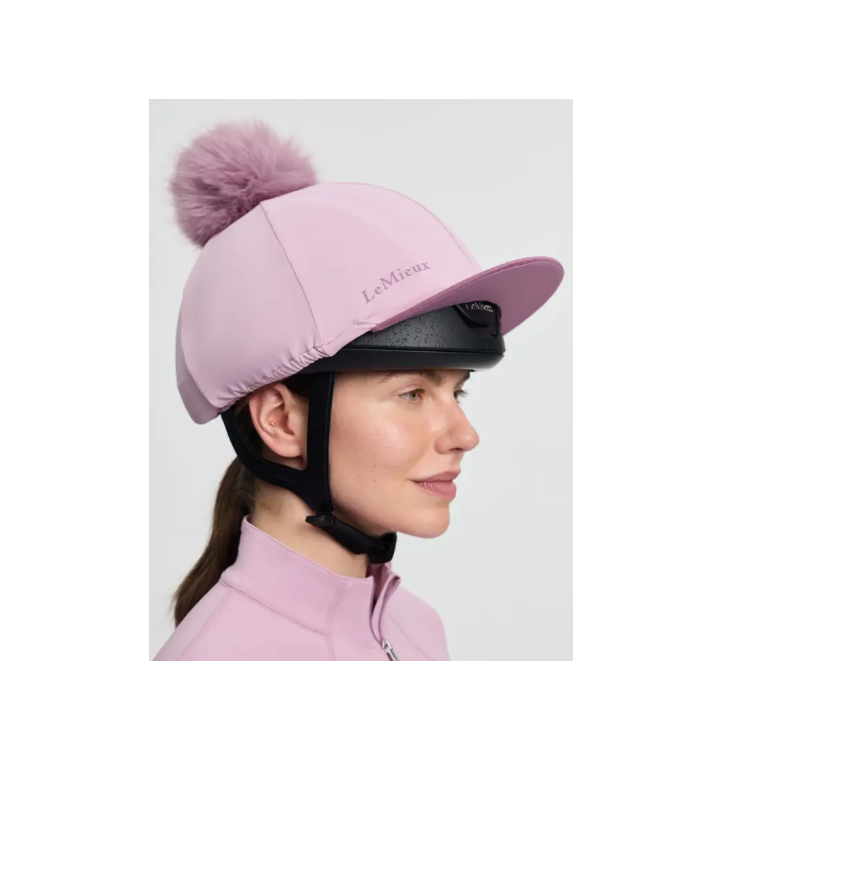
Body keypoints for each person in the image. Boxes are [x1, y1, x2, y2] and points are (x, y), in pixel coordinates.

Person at [153, 118, 564, 660]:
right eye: (412, 394)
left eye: (457, 392)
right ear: (281, 421)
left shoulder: (415, 624)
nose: (465, 436)